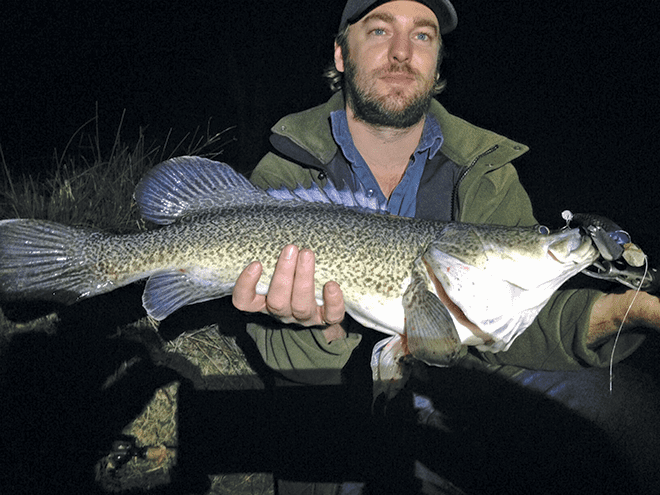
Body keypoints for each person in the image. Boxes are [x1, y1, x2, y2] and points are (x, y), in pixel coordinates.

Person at [232, 0, 660, 492]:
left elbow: (514, 323)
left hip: (460, 381)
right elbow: (290, 365)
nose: (400, 52)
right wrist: (312, 329)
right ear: (341, 55)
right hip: (340, 388)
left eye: (422, 36)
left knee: (632, 417)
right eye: (377, 31)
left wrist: (632, 308)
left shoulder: (485, 169)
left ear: (436, 62)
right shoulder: (288, 171)